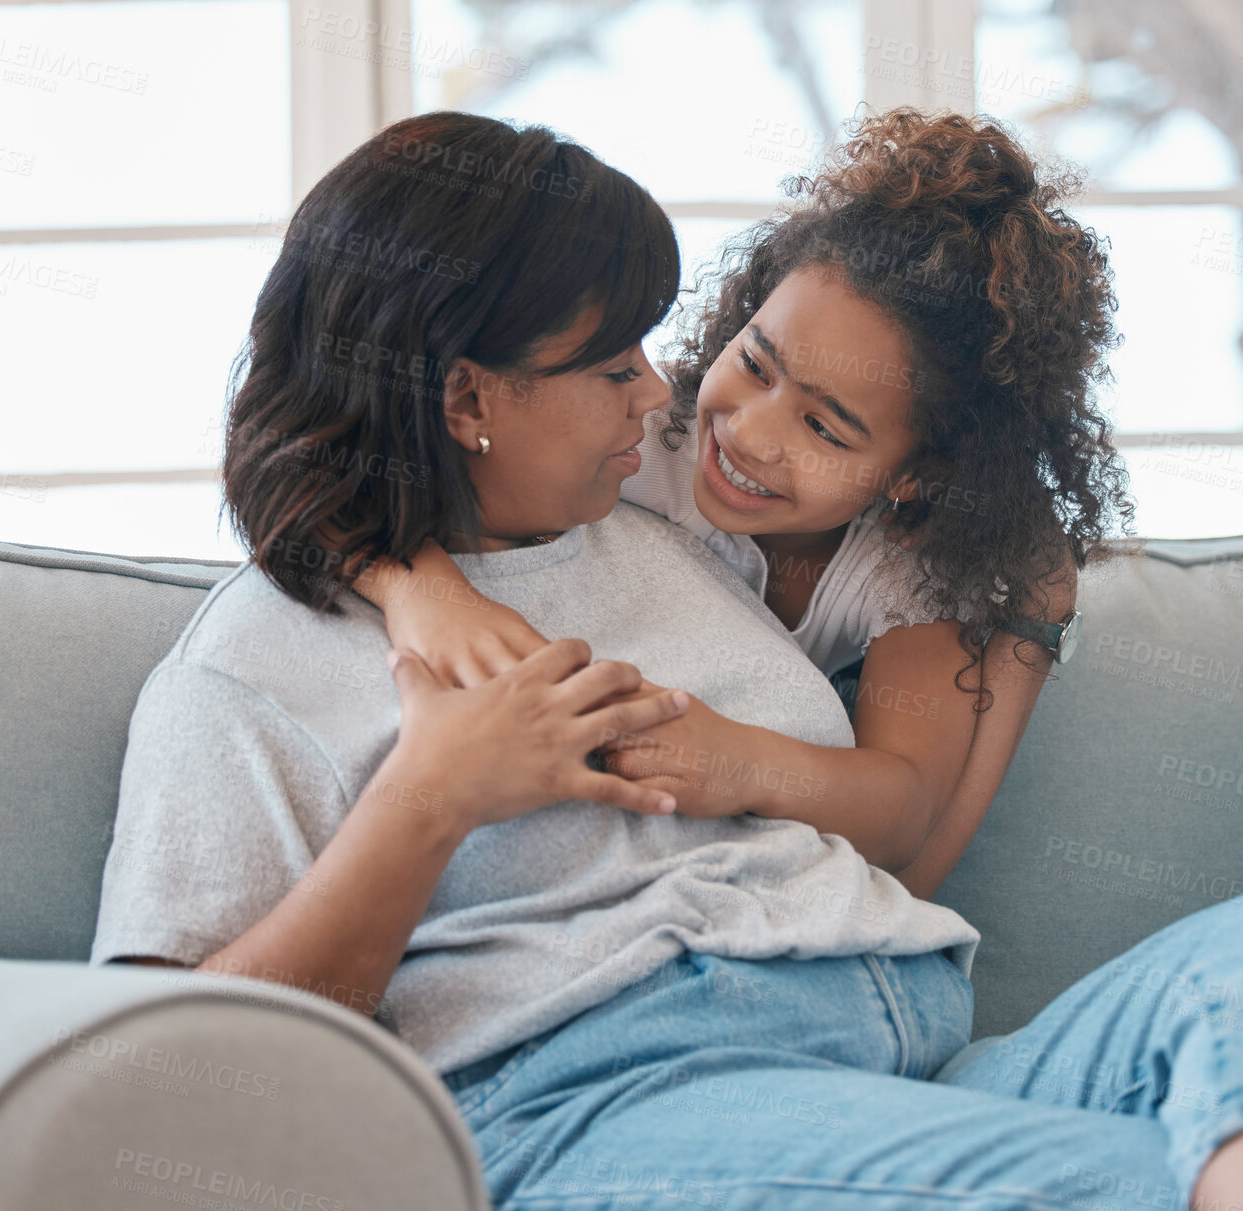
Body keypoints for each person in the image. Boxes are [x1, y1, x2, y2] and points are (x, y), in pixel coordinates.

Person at [91, 110, 1243, 1211]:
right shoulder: (250, 676)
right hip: (613, 1098)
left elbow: (907, 791)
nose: (671, 397)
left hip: (924, 1053)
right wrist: (427, 796)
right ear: (466, 398)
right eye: (611, 364)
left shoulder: (659, 519)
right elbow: (166, 1083)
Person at [351, 109, 1110, 900]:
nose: (748, 433)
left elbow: (904, 807)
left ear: (913, 478)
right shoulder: (650, 425)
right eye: (755, 362)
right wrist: (423, 592)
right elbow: (338, 473)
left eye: (823, 427)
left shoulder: (910, 562)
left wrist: (738, 760)